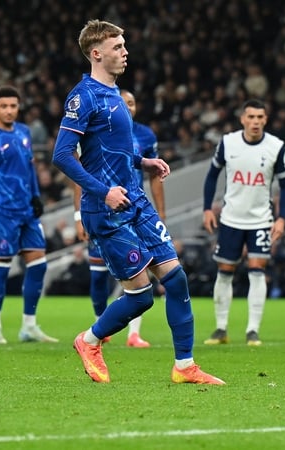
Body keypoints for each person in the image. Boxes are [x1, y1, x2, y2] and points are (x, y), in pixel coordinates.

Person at [52, 19, 223, 385]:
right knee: (142, 297)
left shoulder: (115, 94)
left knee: (176, 280)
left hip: (136, 201)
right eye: (117, 47)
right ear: (96, 53)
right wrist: (103, 191)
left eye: (124, 45)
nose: (125, 52)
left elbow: (110, 150)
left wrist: (141, 161)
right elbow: (63, 156)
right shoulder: (83, 97)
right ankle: (89, 340)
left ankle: (185, 366)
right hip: (107, 209)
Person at [72, 89, 165, 348]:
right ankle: (100, 325)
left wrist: (160, 212)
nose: (128, 107)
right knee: (99, 274)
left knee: (142, 273)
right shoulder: (96, 130)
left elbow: (154, 176)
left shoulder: (145, 135)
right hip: (101, 209)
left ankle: (134, 333)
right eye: (124, 103)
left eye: (132, 103)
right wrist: (78, 215)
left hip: (134, 210)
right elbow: (78, 174)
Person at [0, 85, 58, 345]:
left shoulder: (24, 132)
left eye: (13, 106)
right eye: (4, 106)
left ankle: (29, 326)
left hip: (26, 210)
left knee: (38, 265)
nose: (9, 110)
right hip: (0, 211)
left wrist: (36, 195)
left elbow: (30, 169)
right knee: (2, 265)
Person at [201, 99, 285, 346]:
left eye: (260, 117)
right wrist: (207, 209)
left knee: (257, 271)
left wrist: (282, 218)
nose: (255, 122)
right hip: (231, 218)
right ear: (242, 119)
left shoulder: (276, 147)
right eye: (250, 117)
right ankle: (221, 329)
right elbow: (211, 176)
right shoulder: (228, 143)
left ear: (266, 120)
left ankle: (253, 330)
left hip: (261, 220)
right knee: (225, 272)